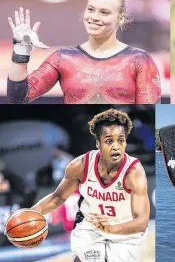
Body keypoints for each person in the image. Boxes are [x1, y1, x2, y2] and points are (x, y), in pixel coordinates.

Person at [17, 109, 150, 262]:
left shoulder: (133, 171)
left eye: (121, 140)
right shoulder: (80, 165)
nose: (116, 146)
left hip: (125, 228)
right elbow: (58, 197)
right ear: (97, 144)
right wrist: (31, 213)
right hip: (90, 228)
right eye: (108, 141)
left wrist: (112, 229)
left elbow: (142, 221)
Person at [7, 0, 162, 104]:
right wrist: (21, 52)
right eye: (91, 9)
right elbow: (17, 98)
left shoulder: (139, 59)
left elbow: (151, 107)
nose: (94, 17)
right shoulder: (63, 58)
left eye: (104, 12)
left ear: (120, 18)